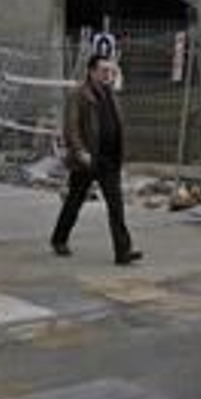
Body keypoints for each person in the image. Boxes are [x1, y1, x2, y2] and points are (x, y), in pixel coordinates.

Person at [51, 54, 142, 266]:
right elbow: (71, 127)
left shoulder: (110, 94)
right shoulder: (78, 94)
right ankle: (59, 239)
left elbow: (114, 124)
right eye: (104, 71)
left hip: (109, 160)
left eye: (111, 71)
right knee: (74, 201)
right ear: (91, 72)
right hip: (88, 159)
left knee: (116, 206)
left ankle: (123, 251)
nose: (108, 75)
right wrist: (80, 151)